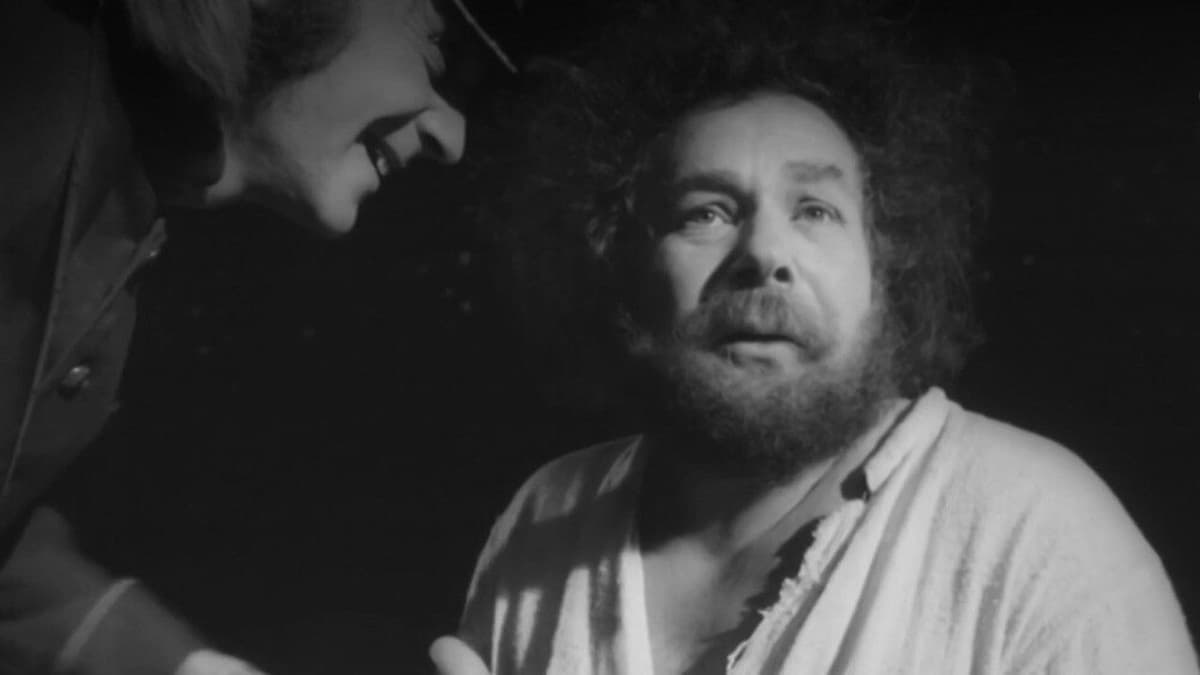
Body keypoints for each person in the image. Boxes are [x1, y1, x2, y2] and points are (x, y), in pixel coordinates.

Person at [430, 2, 1200, 672]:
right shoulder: (545, 516)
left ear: (884, 268)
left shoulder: (1038, 528)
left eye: (815, 210)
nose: (765, 252)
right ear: (620, 267)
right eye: (706, 212)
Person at [0, 0, 514, 673]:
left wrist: (187, 668)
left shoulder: (119, 222)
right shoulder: (36, 94)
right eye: (435, 51)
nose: (454, 141)